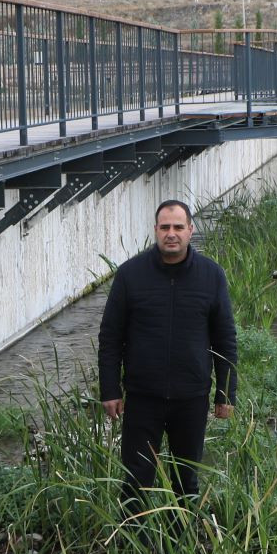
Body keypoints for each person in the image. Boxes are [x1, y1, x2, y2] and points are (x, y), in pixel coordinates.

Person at [97, 198, 236, 504]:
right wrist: (110, 389)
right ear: (155, 230)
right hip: (143, 397)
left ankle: (181, 544)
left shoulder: (211, 276)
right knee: (136, 478)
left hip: (192, 397)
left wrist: (225, 395)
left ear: (190, 230)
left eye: (178, 227)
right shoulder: (130, 275)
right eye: (165, 227)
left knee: (187, 479)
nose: (171, 233)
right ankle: (133, 548)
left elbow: (225, 340)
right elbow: (110, 337)